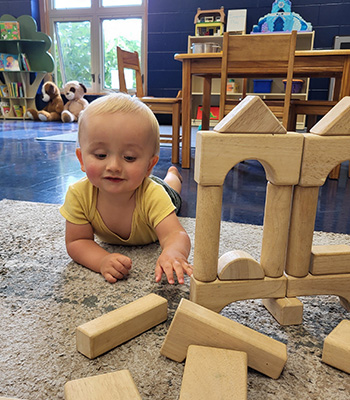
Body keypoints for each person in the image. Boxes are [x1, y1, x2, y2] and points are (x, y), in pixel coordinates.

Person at [60, 92, 192, 285]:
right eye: (100, 155)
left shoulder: (153, 195)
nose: (113, 166)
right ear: (81, 159)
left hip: (159, 190)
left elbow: (175, 234)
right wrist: (102, 260)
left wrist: (174, 252)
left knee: (172, 188)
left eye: (129, 157)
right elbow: (76, 242)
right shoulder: (79, 195)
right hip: (138, 181)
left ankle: (173, 174)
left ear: (149, 166)